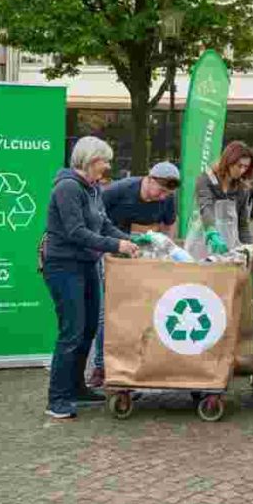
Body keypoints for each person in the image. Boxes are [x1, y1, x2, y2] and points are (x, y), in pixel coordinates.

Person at [43, 137, 139, 420]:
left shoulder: (94, 189)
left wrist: (133, 240)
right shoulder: (68, 188)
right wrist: (116, 246)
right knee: (71, 331)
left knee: (87, 330)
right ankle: (57, 398)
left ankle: (76, 388)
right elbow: (76, 231)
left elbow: (104, 224)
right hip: (63, 266)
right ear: (89, 160)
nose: (108, 166)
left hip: (86, 263)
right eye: (104, 161)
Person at [86, 161, 180, 387]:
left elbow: (169, 227)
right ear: (149, 178)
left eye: (167, 194)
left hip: (143, 253)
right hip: (112, 252)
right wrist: (118, 242)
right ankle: (100, 366)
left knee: (141, 306)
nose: (162, 197)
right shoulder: (119, 191)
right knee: (107, 308)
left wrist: (168, 252)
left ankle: (139, 360)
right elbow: (95, 220)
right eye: (160, 191)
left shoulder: (167, 198)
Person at [195, 141, 253, 255]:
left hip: (228, 245)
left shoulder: (242, 189)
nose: (242, 170)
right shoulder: (206, 179)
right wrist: (211, 231)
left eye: (246, 167)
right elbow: (205, 206)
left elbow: (242, 225)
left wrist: (250, 248)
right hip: (204, 239)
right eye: (239, 166)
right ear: (228, 161)